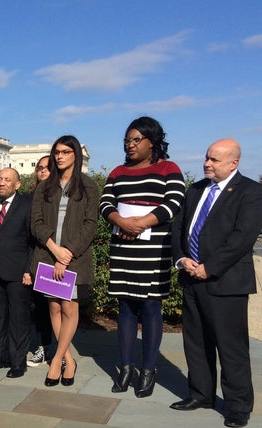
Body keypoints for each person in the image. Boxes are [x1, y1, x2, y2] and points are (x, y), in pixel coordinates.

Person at [170, 138, 262, 428]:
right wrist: (182, 259)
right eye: (207, 158)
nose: (207, 163)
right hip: (190, 276)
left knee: (231, 347)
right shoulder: (195, 190)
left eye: (215, 160)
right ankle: (201, 394)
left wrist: (209, 267)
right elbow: (178, 229)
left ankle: (237, 406)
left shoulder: (251, 192)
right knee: (195, 343)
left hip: (226, 282)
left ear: (234, 163)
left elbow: (242, 236)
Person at [99, 117, 185, 397]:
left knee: (150, 308)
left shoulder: (169, 169)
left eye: (136, 139)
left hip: (153, 252)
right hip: (123, 249)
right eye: (127, 139)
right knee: (125, 308)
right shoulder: (118, 171)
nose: (130, 144)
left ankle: (148, 370)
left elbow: (173, 202)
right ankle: (125, 368)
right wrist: (121, 222)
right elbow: (105, 202)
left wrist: (141, 222)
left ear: (153, 142)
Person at [30, 136, 99, 388]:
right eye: (57, 152)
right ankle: (69, 359)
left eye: (66, 152)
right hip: (48, 256)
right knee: (54, 308)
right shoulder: (44, 187)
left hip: (75, 259)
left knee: (69, 307)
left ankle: (58, 358)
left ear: (75, 155)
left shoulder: (88, 187)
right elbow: (36, 222)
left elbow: (90, 224)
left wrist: (67, 252)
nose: (60, 156)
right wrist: (54, 249)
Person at [0, 168, 34, 378]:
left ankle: (17, 362)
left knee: (18, 319)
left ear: (17, 184)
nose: (1, 183)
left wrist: (29, 270)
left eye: (7, 180)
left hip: (18, 272)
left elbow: (33, 241)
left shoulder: (27, 205)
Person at [27, 156, 53, 368]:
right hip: (38, 260)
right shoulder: (30, 197)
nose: (43, 171)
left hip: (59, 259)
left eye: (48, 168)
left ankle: (60, 352)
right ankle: (43, 348)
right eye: (40, 168)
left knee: (61, 309)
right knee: (42, 308)